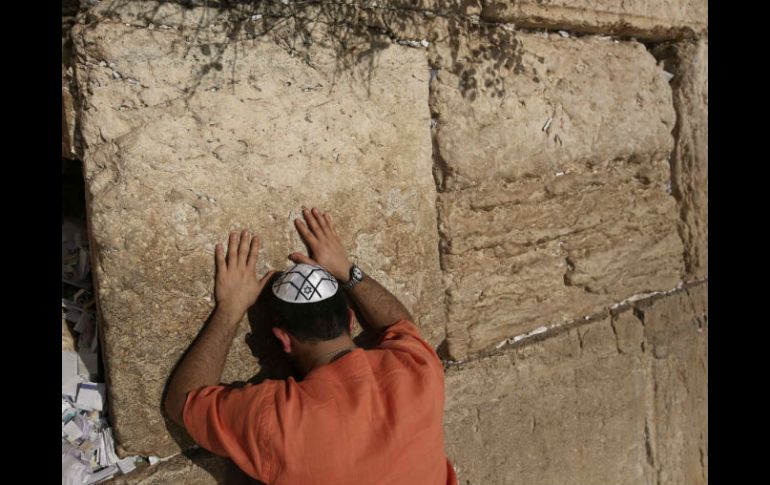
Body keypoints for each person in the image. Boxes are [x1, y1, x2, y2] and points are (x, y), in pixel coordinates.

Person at [164, 207, 458, 485]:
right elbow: (400, 325)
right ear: (351, 319)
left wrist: (230, 309)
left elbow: (182, 402)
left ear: (282, 339)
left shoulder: (276, 420)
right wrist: (346, 270)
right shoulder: (420, 370)